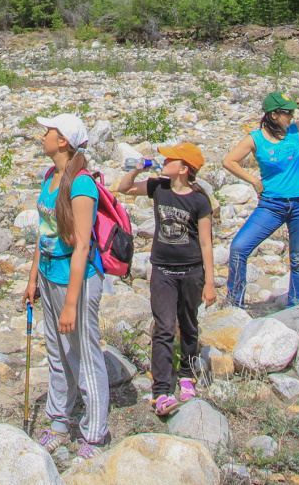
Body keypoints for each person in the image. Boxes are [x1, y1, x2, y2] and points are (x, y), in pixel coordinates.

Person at [22, 112, 111, 460]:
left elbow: (82, 246)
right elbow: (44, 234)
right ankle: (59, 421)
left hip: (78, 279)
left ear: (63, 142)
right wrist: (32, 279)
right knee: (58, 352)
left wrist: (72, 303)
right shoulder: (51, 177)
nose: (42, 136)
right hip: (49, 274)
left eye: (48, 131)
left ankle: (95, 433)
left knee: (84, 354)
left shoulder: (82, 183)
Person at [115, 141, 215, 417]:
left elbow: (206, 243)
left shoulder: (199, 199)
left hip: (192, 270)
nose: (164, 162)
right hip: (162, 270)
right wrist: (136, 170)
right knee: (164, 327)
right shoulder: (158, 186)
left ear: (183, 169)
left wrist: (209, 282)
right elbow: (123, 189)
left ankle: (186, 375)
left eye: (170, 159)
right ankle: (160, 391)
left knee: (189, 324)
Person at [221, 91, 299, 308]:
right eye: (287, 112)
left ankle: (296, 308)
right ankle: (234, 303)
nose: (291, 115)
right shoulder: (255, 138)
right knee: (239, 247)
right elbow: (229, 161)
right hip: (273, 205)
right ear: (274, 115)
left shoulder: (295, 130)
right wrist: (253, 180)